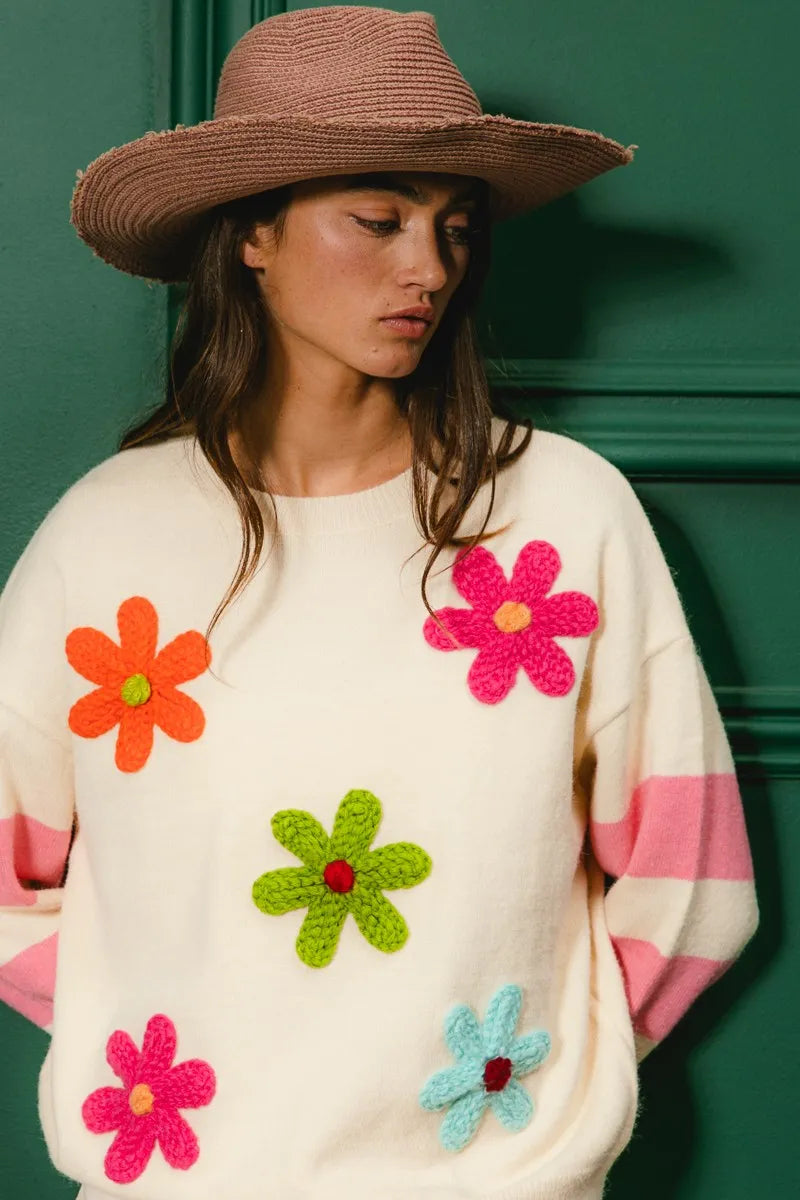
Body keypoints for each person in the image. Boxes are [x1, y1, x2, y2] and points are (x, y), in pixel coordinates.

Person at [1, 6, 758, 1199]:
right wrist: (148, 1037)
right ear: (254, 234)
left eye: (454, 227)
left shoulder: (560, 518)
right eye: (378, 219)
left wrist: (538, 1090)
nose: (429, 269)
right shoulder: (107, 540)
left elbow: (694, 881)